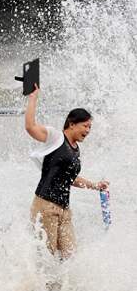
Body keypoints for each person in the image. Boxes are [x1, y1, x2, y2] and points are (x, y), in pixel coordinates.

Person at [25, 85, 108, 259]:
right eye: (85, 126)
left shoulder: (76, 149)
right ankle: (41, 286)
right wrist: (33, 98)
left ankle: (66, 287)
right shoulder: (56, 137)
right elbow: (31, 127)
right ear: (71, 124)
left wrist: (95, 186)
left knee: (70, 257)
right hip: (46, 206)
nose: (88, 131)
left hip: (64, 210)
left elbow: (71, 179)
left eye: (90, 127)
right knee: (47, 258)